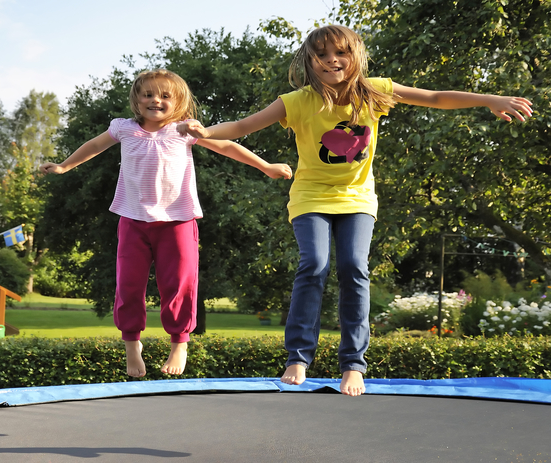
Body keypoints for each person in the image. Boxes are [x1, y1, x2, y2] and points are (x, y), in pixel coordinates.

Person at [177, 25, 533, 396]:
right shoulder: (296, 101)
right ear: (310, 62)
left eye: (340, 53)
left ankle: (353, 365)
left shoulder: (375, 91)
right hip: (311, 195)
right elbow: (243, 125)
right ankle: (298, 357)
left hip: (357, 197)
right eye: (322, 55)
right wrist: (204, 132)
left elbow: (435, 97)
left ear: (355, 56)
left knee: (353, 266)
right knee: (314, 263)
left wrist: (488, 98)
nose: (332, 60)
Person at [40, 69, 292, 378]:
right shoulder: (124, 129)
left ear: (179, 103)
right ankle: (132, 344)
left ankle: (179, 343)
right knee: (128, 284)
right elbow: (94, 146)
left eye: (164, 96)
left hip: (177, 220)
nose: (155, 100)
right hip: (133, 219)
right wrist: (65, 165)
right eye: (147, 94)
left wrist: (265, 166)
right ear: (136, 99)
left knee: (180, 284)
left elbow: (226, 145)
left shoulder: (184, 130)